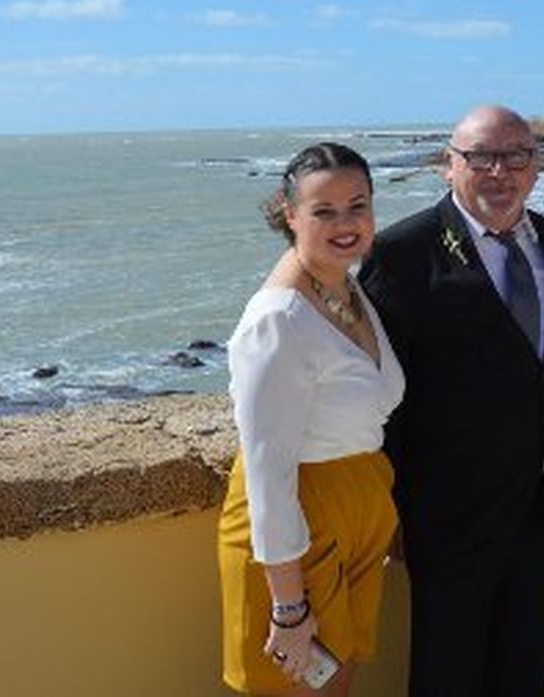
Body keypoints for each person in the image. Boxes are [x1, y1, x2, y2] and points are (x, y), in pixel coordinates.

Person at [358, 105, 544, 697]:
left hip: (541, 506)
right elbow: (384, 396)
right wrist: (395, 508)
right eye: (480, 157)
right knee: (447, 673)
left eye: (516, 156)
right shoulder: (403, 253)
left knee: (524, 668)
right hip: (451, 516)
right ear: (448, 165)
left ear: (535, 167)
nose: (499, 171)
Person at [217, 143, 405, 695]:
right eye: (324, 211)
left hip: (356, 509)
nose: (345, 224)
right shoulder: (276, 321)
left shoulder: (346, 291)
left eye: (358, 206)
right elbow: (267, 471)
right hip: (296, 532)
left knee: (336, 684)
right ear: (290, 214)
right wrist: (289, 608)